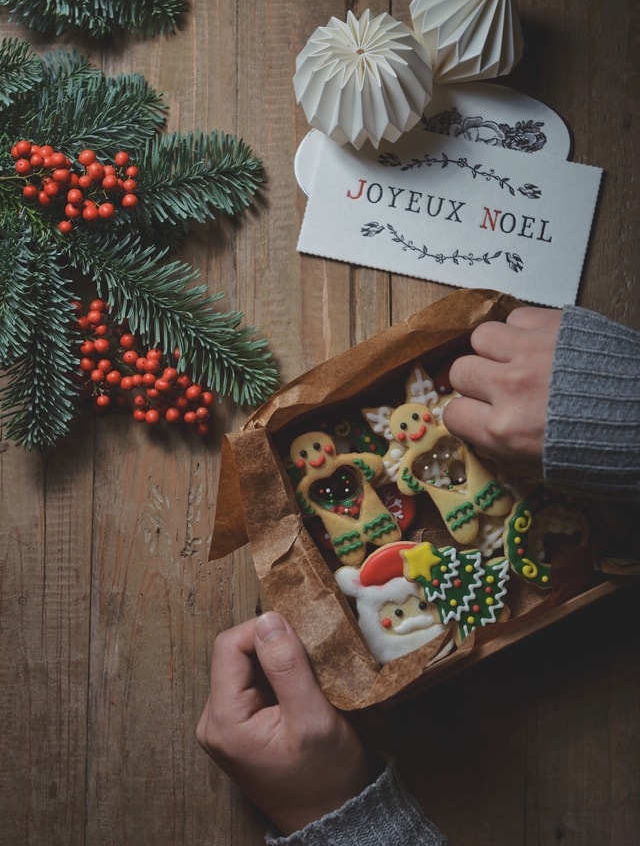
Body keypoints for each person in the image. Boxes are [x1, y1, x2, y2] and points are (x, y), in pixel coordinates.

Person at [196, 305, 640, 845]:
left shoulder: (391, 458)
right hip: (378, 526)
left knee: (475, 505)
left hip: (471, 501)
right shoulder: (344, 483)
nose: (315, 460)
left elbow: (382, 469)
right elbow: (392, 473)